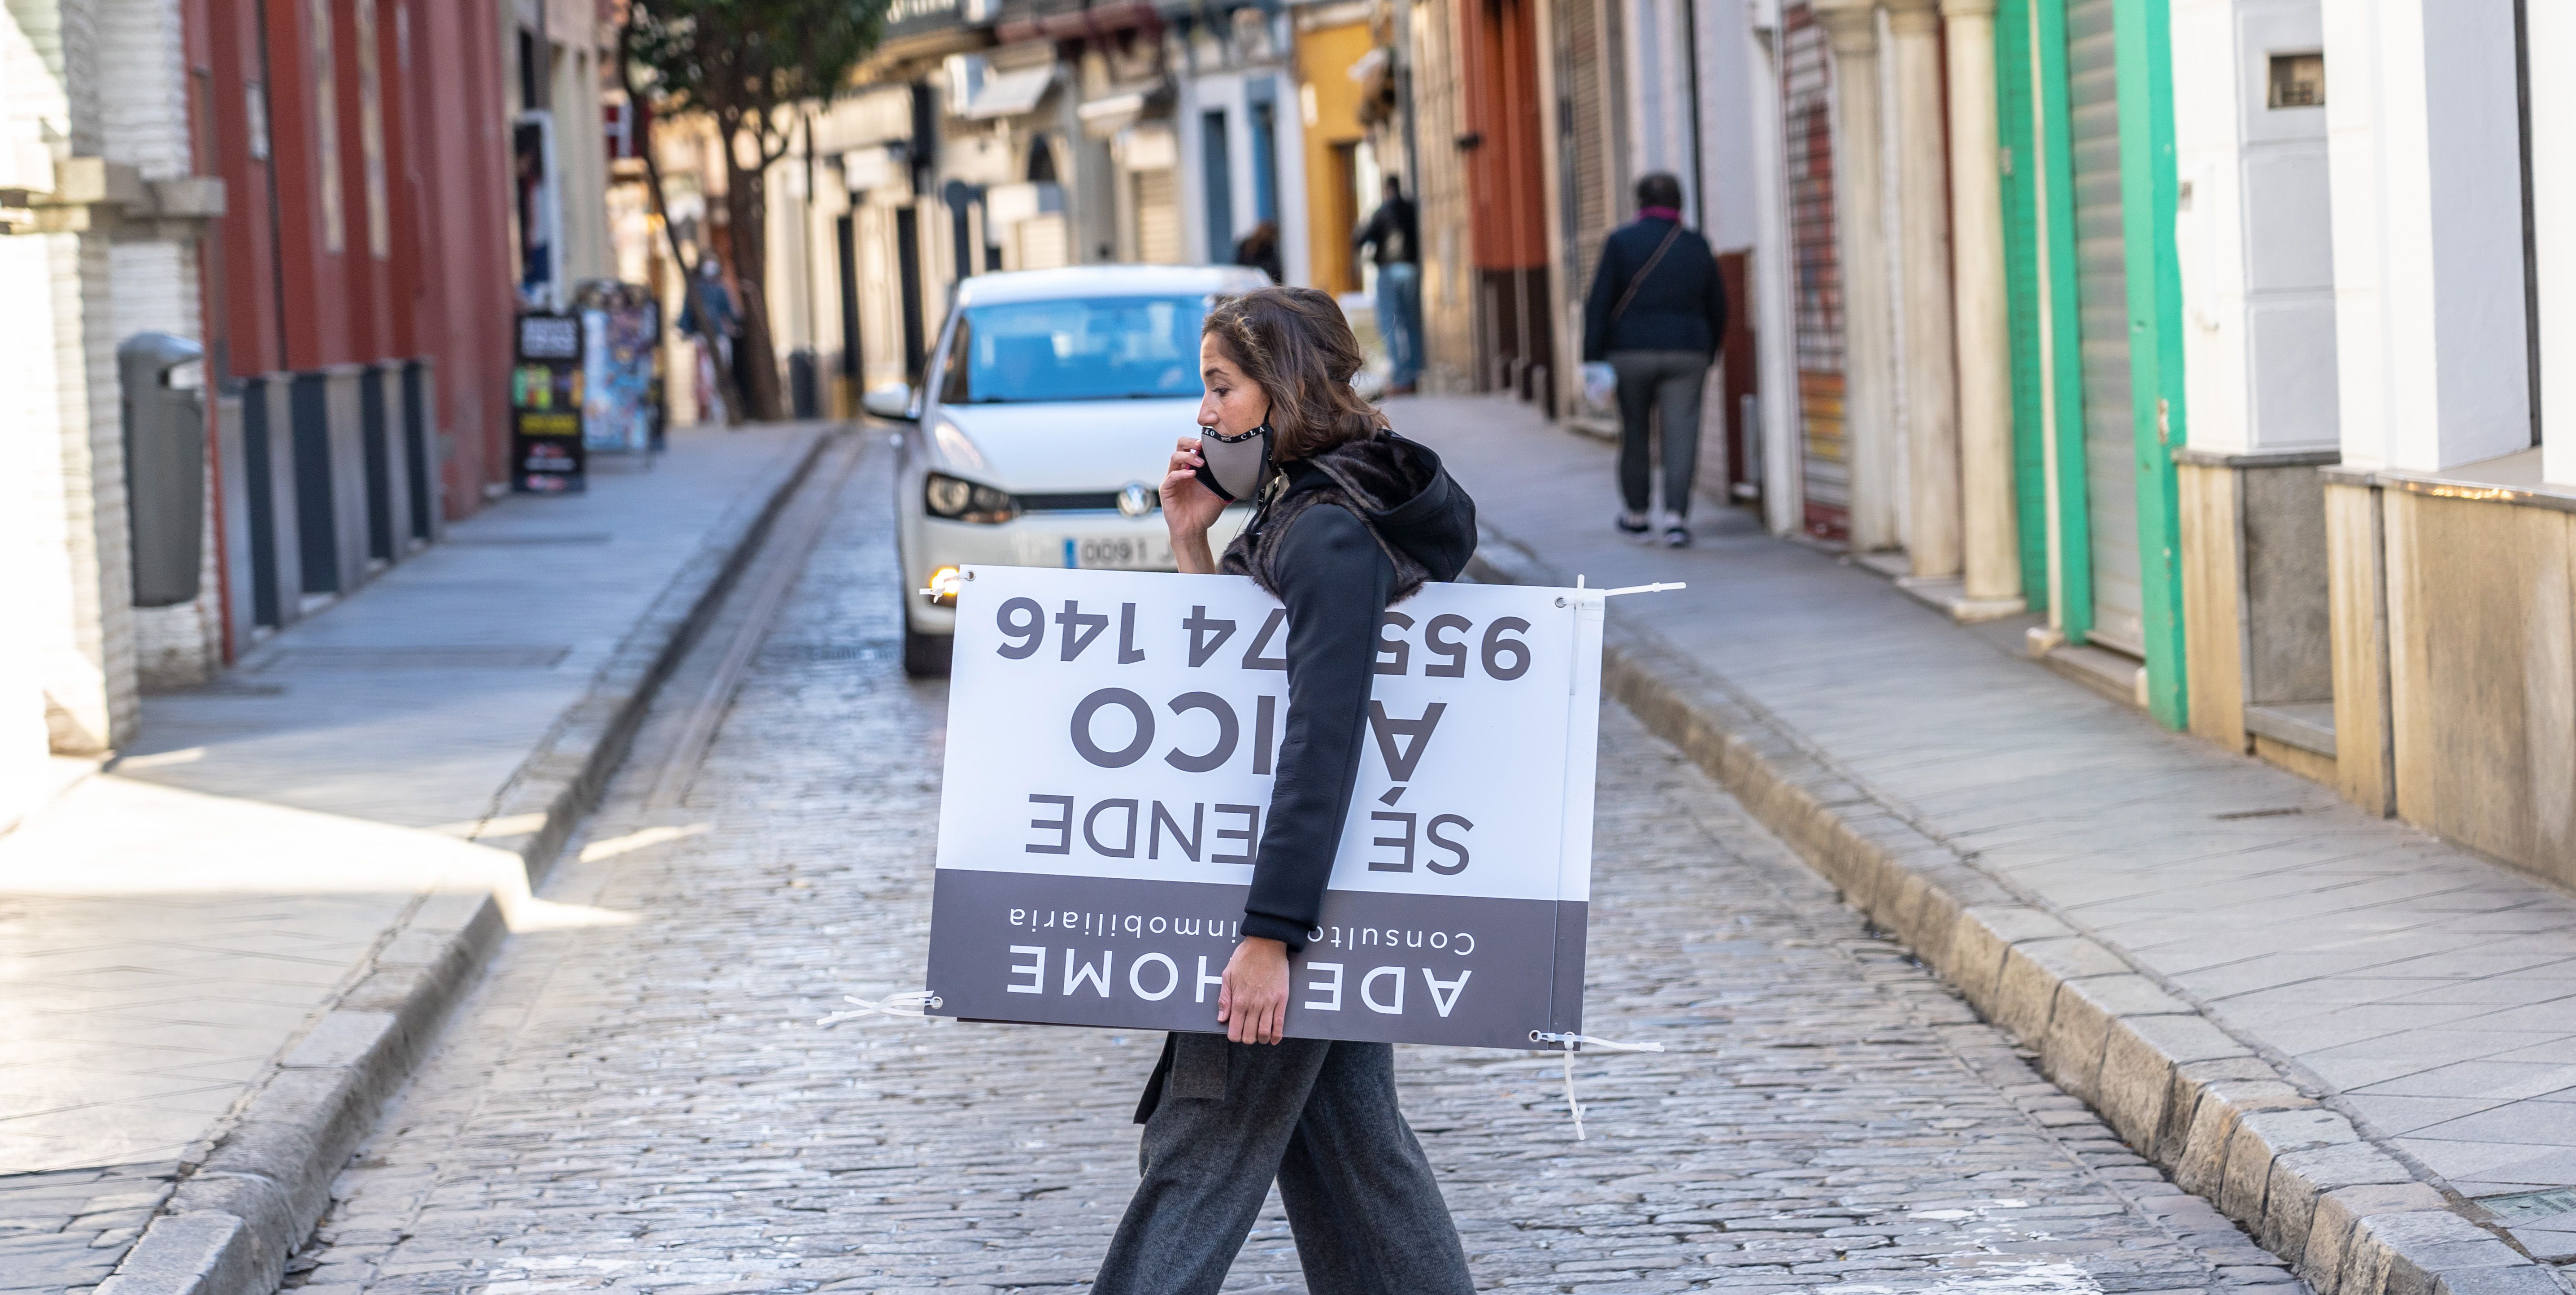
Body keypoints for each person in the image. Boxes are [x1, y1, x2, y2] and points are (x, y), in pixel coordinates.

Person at [1101, 285, 1479, 1295]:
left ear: (1282, 391)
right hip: (1309, 899)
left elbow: (1319, 738)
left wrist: (1270, 937)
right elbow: (1243, 699)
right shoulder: (1302, 509)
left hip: (1286, 910)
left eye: (1220, 387)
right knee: (1362, 1164)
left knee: (1195, 1157)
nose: (1204, 412)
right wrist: (1192, 544)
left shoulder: (1328, 534)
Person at [1582, 172, 1728, 547]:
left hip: (1630, 352)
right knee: (1682, 434)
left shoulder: (1620, 242)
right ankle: (1677, 519)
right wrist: (1709, 350)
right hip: (1687, 352)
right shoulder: (1697, 245)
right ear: (1680, 204)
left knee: (1635, 432)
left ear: (1640, 204)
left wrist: (1592, 358)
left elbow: (1599, 303)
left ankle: (1637, 516)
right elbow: (1719, 305)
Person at [1354, 176, 1423, 395]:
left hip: (1389, 270)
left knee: (1391, 324)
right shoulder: (1412, 209)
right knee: (1412, 323)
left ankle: (1400, 379)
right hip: (1410, 268)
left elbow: (1361, 239)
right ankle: (1415, 374)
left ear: (1386, 190)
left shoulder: (1383, 211)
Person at [676, 257, 740, 426]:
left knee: (722, 374)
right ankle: (706, 411)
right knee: (704, 376)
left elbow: (730, 312)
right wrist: (685, 329)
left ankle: (721, 409)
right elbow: (687, 312)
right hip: (702, 339)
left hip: (720, 338)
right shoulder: (695, 289)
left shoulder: (721, 288)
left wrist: (734, 323)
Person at [1231, 220, 1284, 285]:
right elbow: (1273, 268)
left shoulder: (1246, 244)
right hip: (1261, 279)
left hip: (1246, 278)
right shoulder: (1267, 247)